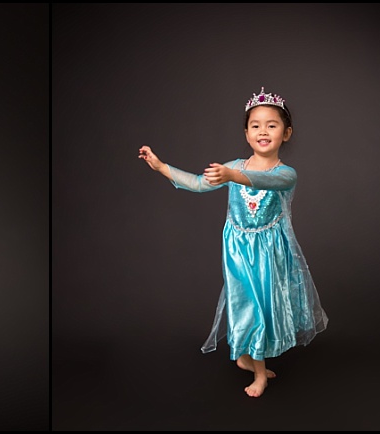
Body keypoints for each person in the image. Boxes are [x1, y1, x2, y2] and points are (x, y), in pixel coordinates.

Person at [137, 87, 328, 398]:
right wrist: (161, 167)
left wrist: (231, 175)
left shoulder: (286, 174)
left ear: (286, 133)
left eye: (272, 125)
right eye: (255, 125)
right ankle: (258, 369)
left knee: (266, 307)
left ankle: (253, 359)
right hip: (238, 248)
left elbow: (265, 180)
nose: (263, 131)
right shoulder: (234, 166)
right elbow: (199, 184)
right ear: (246, 132)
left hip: (271, 249)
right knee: (247, 307)